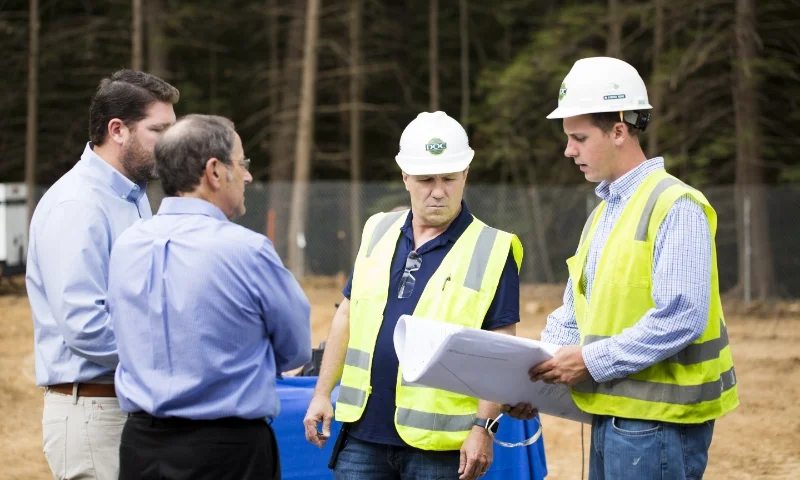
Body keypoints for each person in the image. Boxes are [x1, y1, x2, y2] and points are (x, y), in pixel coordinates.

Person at [511, 57, 739, 480]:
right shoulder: (603, 214)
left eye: (579, 137)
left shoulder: (676, 206)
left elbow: (682, 316)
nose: (568, 150)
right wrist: (534, 383)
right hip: (613, 416)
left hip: (657, 426)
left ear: (618, 130)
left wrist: (591, 362)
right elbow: (575, 311)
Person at [304, 111, 532, 480]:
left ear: (466, 175)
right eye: (426, 179)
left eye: (449, 178)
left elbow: (500, 347)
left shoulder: (494, 248)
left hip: (440, 450)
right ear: (405, 177)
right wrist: (321, 393)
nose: (438, 190)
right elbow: (347, 314)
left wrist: (483, 428)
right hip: (363, 436)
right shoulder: (377, 229)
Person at [108, 114, 311, 480]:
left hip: (140, 446)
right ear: (214, 171)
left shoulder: (127, 245)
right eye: (242, 163)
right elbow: (295, 350)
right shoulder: (247, 250)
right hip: (227, 450)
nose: (248, 175)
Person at [26, 69, 179, 480]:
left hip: (127, 408)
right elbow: (86, 325)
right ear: (118, 130)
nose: (171, 143)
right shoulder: (77, 205)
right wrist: (174, 355)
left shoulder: (132, 198)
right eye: (159, 130)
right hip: (95, 412)